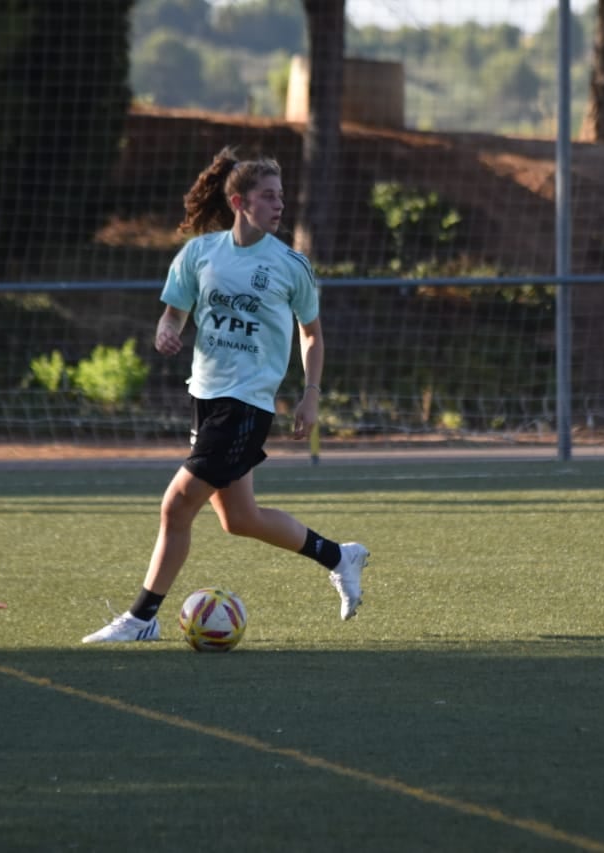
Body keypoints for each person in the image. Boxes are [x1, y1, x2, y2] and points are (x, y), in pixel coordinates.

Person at [82, 146, 368, 644]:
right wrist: (165, 332)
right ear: (239, 202)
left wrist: (311, 395)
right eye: (268, 196)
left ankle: (141, 618)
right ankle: (339, 556)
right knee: (239, 519)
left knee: (175, 506)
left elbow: (313, 334)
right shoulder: (199, 254)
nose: (279, 205)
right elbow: (173, 313)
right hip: (206, 398)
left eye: (281, 196)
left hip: (247, 405)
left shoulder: (290, 265)